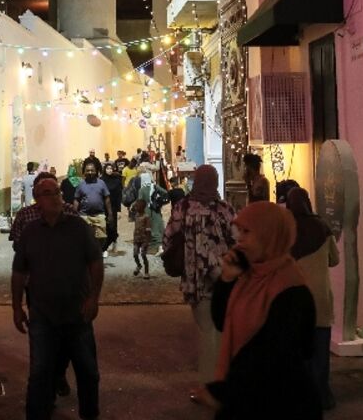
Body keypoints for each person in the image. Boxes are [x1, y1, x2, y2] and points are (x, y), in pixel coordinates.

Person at [191, 201, 322, 419]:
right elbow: (222, 320)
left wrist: (224, 394)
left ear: (268, 237)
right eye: (239, 231)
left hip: (281, 403)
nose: (239, 238)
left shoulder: (291, 288)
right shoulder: (249, 276)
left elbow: (275, 356)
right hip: (248, 398)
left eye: (247, 232)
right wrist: (227, 279)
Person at [12, 177, 104, 420]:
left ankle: (89, 414)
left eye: (57, 192)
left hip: (77, 312)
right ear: (37, 200)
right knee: (40, 371)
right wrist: (17, 307)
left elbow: (96, 261)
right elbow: (19, 271)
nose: (55, 197)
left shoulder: (78, 227)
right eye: (48, 193)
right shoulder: (30, 232)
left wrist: (94, 297)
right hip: (43, 314)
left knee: (87, 370)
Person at [164, 164, 236, 381]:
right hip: (223, 277)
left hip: (196, 278)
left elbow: (168, 238)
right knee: (221, 329)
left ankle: (208, 383)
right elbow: (237, 240)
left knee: (206, 330)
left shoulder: (182, 207)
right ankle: (223, 378)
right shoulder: (224, 209)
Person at [287, 187, 339, 410]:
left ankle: (301, 397)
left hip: (295, 301)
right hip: (320, 300)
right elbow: (334, 260)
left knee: (299, 352)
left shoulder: (286, 231)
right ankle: (321, 395)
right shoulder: (323, 227)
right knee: (320, 351)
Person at [74, 157, 113, 253]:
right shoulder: (81, 184)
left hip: (99, 215)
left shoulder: (101, 183)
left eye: (92, 170)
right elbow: (76, 199)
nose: (90, 172)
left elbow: (107, 199)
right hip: (84, 216)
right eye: (88, 171)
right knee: (85, 238)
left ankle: (98, 252)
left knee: (102, 237)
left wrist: (110, 214)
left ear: (96, 171)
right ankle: (87, 256)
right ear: (84, 172)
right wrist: (74, 213)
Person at [101, 159, 125, 255]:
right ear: (105, 169)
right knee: (105, 226)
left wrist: (119, 209)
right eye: (108, 168)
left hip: (113, 206)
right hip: (103, 207)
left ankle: (114, 243)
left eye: (111, 168)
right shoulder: (102, 180)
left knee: (113, 226)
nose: (110, 170)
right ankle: (105, 247)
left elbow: (119, 195)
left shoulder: (116, 180)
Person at [131, 199, 152, 277]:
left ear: (142, 208)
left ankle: (146, 272)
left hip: (144, 239)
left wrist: (147, 241)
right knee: (135, 254)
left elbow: (148, 230)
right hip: (136, 238)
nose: (136, 208)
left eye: (138, 206)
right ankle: (139, 265)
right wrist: (134, 204)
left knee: (143, 254)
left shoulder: (146, 217)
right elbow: (131, 208)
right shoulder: (136, 215)